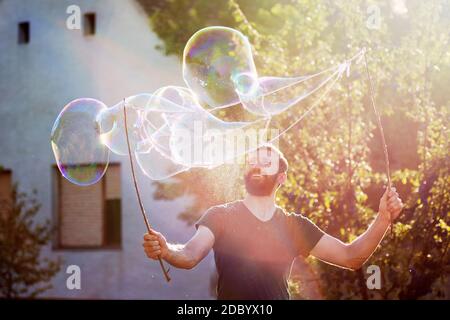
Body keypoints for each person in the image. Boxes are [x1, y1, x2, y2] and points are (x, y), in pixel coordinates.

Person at [142, 145, 403, 299]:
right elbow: (189, 254)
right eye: (253, 162)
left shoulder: (295, 226)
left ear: (281, 178)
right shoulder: (221, 216)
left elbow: (351, 257)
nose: (257, 166)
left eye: (266, 163)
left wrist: (382, 219)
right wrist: (166, 250)